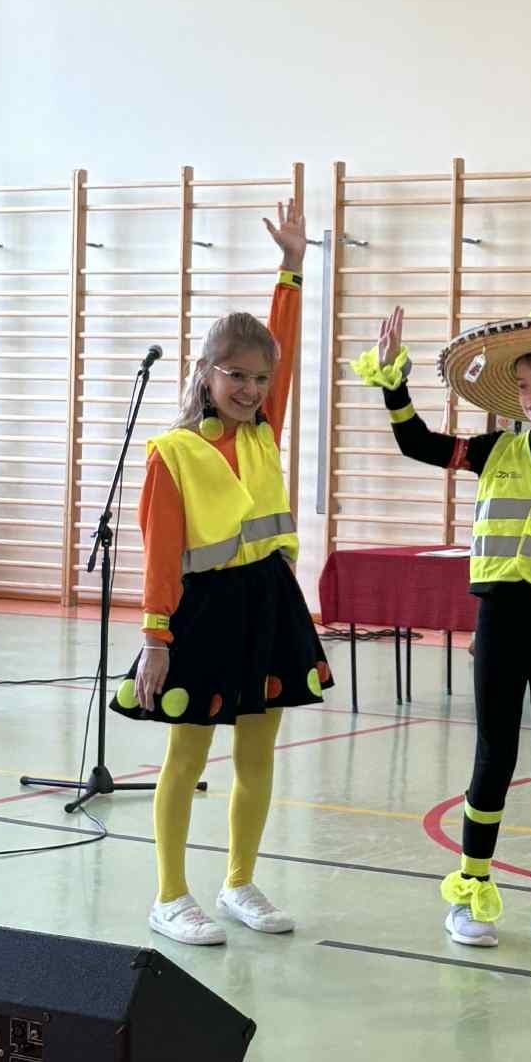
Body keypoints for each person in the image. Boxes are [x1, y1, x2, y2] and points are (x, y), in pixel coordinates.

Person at [362, 302, 531, 947]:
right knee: (493, 753)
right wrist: (393, 384)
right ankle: (471, 890)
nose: (530, 396)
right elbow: (417, 443)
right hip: (498, 618)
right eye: (522, 385)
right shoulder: (495, 450)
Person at [112, 197, 332, 947]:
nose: (250, 389)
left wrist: (292, 268)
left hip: (269, 602)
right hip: (201, 612)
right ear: (205, 373)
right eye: (236, 375)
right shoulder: (172, 454)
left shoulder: (265, 429)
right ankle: (170, 894)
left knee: (258, 753)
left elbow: (284, 345)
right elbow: (159, 555)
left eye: (261, 379)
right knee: (187, 755)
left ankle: (239, 880)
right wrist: (156, 639)